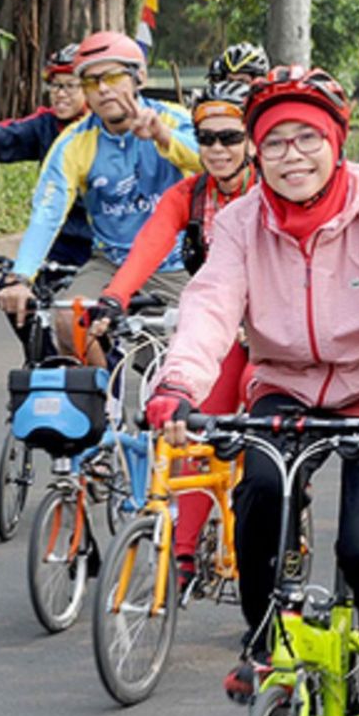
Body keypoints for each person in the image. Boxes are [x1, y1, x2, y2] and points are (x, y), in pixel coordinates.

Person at [144, 64, 359, 716]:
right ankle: (266, 641)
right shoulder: (241, 220)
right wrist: (179, 383)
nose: (292, 157)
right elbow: (213, 300)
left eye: (307, 138)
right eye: (274, 142)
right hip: (283, 384)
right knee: (257, 495)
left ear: (336, 143)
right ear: (255, 151)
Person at [89, 81, 256, 591]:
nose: (218, 150)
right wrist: (113, 300)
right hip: (218, 329)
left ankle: (275, 535)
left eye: (231, 137)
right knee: (188, 426)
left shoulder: (270, 192)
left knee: (265, 429)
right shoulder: (188, 194)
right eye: (207, 138)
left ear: (252, 141)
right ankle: (181, 555)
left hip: (273, 336)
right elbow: (148, 247)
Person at [0, 31, 200, 363]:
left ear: (140, 77)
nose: (103, 89)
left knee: (182, 355)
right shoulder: (74, 142)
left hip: (173, 264)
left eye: (114, 76)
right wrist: (21, 277)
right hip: (111, 262)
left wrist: (164, 138)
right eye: (90, 82)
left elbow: (217, 160)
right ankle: (101, 405)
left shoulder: (174, 119)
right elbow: (47, 212)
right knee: (68, 320)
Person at [0, 43, 92, 268]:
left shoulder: (110, 128)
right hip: (60, 244)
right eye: (55, 86)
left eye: (71, 86)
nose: (60, 94)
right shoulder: (44, 126)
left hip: (109, 244)